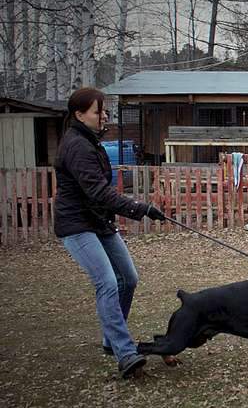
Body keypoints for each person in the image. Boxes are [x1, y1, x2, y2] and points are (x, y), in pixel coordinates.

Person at [55, 87, 166, 378]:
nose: (104, 116)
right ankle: (125, 352)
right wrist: (140, 208)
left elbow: (100, 194)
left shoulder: (90, 140)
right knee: (107, 283)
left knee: (128, 278)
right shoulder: (77, 145)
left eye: (104, 110)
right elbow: (98, 191)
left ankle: (110, 339)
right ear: (79, 115)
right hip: (76, 225)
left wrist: (139, 210)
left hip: (99, 222)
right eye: (98, 111)